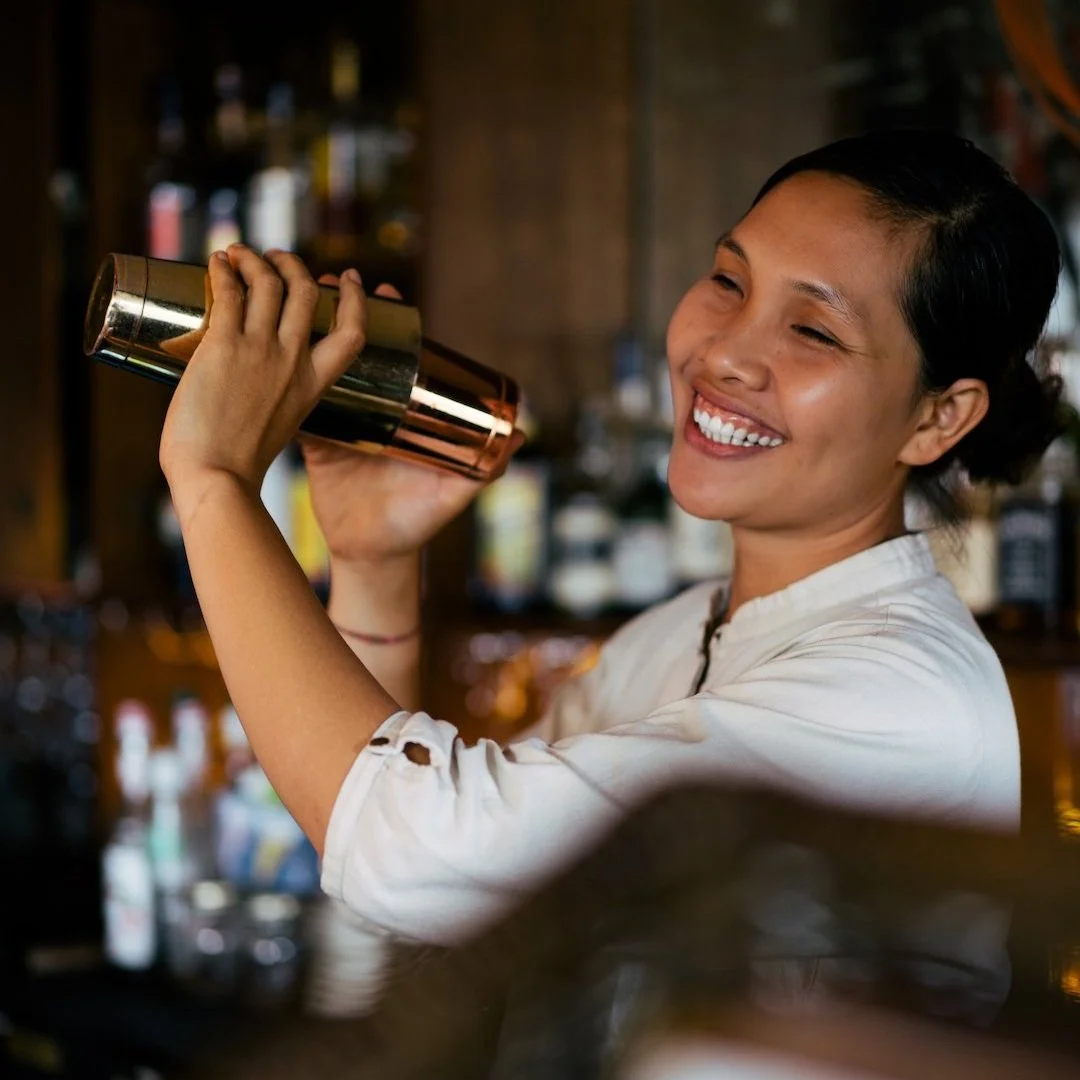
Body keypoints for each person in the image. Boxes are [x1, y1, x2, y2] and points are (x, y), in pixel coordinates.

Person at [158, 129, 1063, 953]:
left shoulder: (897, 698)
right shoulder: (669, 643)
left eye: (814, 330)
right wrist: (373, 562)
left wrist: (214, 483)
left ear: (939, 418)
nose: (724, 356)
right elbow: (429, 887)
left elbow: (420, 852)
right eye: (728, 281)